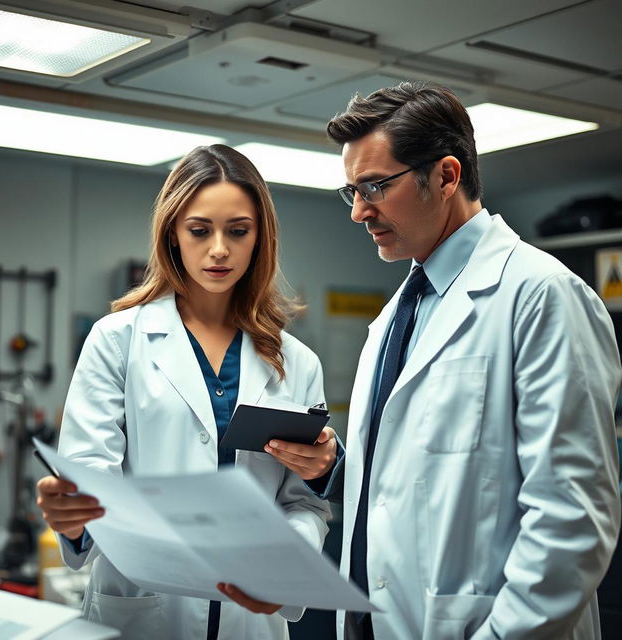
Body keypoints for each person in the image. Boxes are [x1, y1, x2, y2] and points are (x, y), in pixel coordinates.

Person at [252, 82, 622, 639]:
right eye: (349, 191)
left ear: (447, 176)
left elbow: (571, 518)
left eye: (374, 186)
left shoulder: (542, 296)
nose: (358, 212)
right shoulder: (399, 314)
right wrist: (336, 472)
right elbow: (423, 487)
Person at [35, 144, 332, 640]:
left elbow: (305, 503)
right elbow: (89, 487)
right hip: (143, 612)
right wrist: (70, 515)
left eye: (238, 231)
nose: (219, 249)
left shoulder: (297, 362)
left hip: (252, 620)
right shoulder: (118, 340)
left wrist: (286, 568)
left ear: (260, 238)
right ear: (173, 233)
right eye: (200, 230)